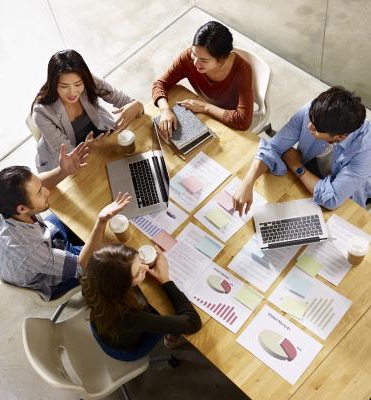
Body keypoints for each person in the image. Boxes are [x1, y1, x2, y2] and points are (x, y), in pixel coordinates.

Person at [0, 142, 131, 300]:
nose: (46, 191)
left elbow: (37, 184)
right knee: (115, 259)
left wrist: (63, 171)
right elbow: (81, 266)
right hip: (45, 278)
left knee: (83, 220)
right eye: (40, 193)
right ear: (22, 209)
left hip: (35, 245)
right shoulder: (29, 251)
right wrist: (101, 221)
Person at [233, 86, 371, 214]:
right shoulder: (315, 111)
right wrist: (248, 183)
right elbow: (273, 147)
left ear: (340, 137)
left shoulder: (364, 150)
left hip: (346, 198)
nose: (309, 126)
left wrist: (296, 165)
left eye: (316, 129)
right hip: (310, 176)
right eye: (311, 120)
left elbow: (332, 198)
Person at [81, 244, 202, 361]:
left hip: (102, 328)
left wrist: (133, 264)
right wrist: (166, 280)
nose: (145, 268)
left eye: (140, 260)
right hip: (126, 350)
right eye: (138, 271)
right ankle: (172, 340)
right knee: (164, 311)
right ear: (122, 287)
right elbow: (193, 323)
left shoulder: (92, 281)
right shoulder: (128, 316)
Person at [31, 49, 144, 172]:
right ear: (53, 84)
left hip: (99, 140)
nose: (72, 92)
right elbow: (70, 157)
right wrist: (88, 148)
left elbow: (124, 100)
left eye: (78, 84)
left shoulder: (88, 80)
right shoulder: (41, 112)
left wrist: (136, 105)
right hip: (65, 160)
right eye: (64, 86)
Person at [152, 20, 253, 139]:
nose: (195, 62)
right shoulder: (187, 58)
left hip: (228, 119)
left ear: (222, 59)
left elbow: (243, 121)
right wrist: (165, 109)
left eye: (204, 60)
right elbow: (160, 83)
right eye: (194, 54)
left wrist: (205, 107)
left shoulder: (242, 70)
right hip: (204, 114)